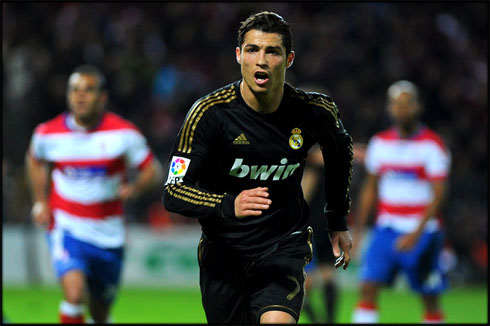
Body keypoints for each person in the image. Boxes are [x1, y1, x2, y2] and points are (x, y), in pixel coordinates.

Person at [162, 11, 354, 324]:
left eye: (272, 51)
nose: (261, 60)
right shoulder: (209, 114)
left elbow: (341, 151)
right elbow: (173, 191)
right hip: (223, 255)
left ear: (289, 59)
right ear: (238, 55)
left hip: (283, 247)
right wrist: (227, 203)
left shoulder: (312, 111)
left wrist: (337, 219)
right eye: (252, 50)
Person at [26, 64, 163, 323]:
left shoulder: (123, 134)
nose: (80, 96)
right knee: (74, 294)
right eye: (74, 90)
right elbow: (34, 159)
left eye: (88, 90)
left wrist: (134, 188)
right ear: (68, 95)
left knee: (100, 312)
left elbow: (152, 170)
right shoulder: (48, 134)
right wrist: (40, 201)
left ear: (102, 97)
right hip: (66, 226)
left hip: (108, 234)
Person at [351, 80, 451, 323]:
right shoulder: (380, 143)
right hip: (386, 228)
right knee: (367, 287)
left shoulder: (432, 145)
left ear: (418, 107)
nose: (402, 109)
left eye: (407, 104)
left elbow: (439, 195)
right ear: (389, 108)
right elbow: (370, 189)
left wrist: (416, 234)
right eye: (397, 104)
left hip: (423, 231)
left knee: (430, 296)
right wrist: (360, 230)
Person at [301, 145, 339, 324]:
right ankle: (330, 320)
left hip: (310, 226)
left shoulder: (312, 168)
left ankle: (316, 319)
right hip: (329, 223)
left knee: (303, 281)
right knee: (328, 273)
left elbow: (304, 197)